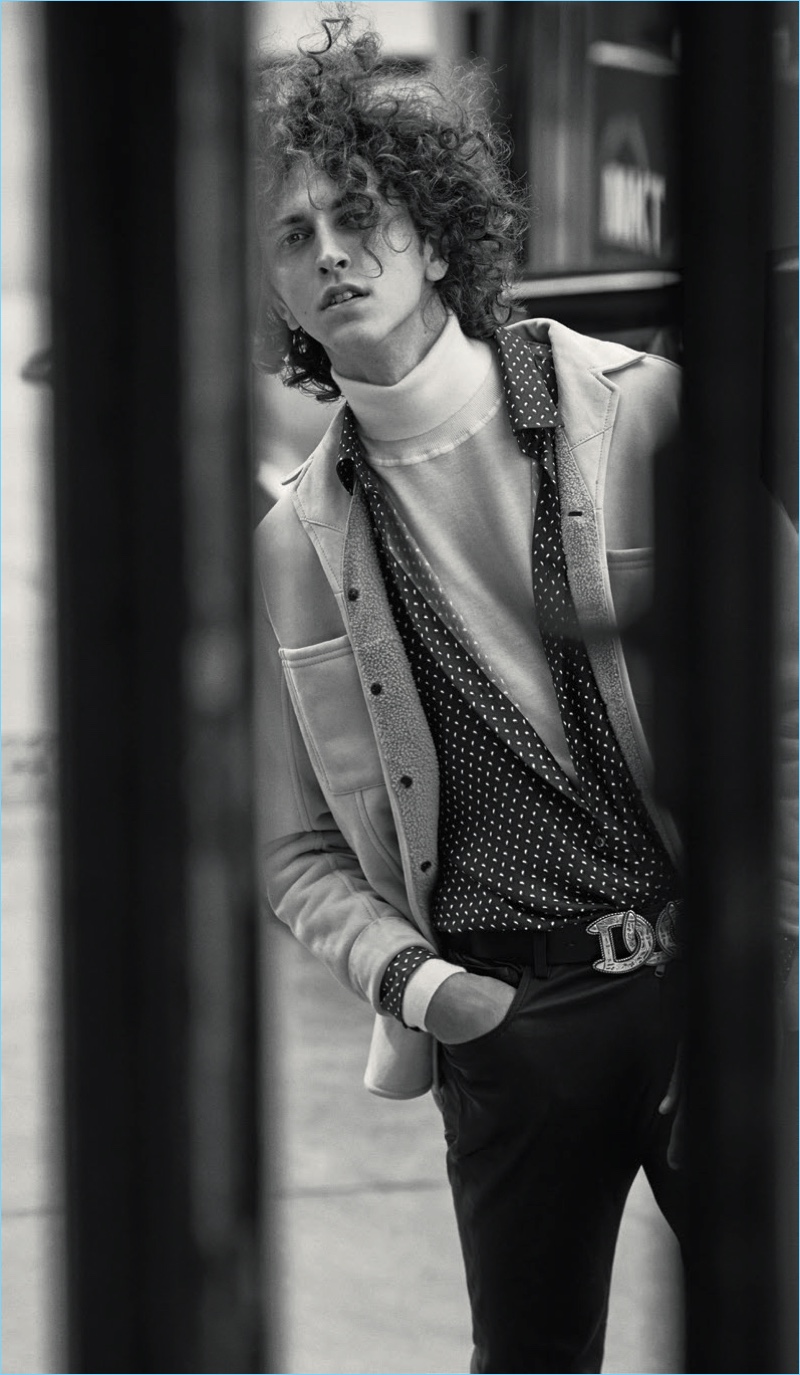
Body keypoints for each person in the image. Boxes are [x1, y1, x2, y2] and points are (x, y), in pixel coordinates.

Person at [251, 14, 797, 1373]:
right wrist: (427, 990)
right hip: (508, 1020)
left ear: (438, 239)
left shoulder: (643, 416)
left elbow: (788, 701)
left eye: (360, 216)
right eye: (294, 234)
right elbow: (294, 846)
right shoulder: (295, 545)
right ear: (274, 288)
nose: (331, 251)